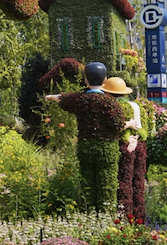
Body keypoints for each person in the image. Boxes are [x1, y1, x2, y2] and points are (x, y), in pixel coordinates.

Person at [46, 62, 127, 211]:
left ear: (85, 80)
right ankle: (106, 213)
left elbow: (62, 98)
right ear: (105, 80)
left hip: (85, 146)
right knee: (106, 182)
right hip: (106, 147)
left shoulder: (80, 99)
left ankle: (88, 212)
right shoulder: (111, 103)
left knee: (87, 181)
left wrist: (50, 97)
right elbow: (119, 125)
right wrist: (131, 124)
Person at [102, 77, 142, 217]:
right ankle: (135, 215)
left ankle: (121, 214)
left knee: (119, 182)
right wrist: (135, 139)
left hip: (115, 146)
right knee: (134, 181)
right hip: (132, 146)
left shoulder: (109, 107)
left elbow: (111, 128)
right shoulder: (134, 106)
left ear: (107, 93)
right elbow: (140, 129)